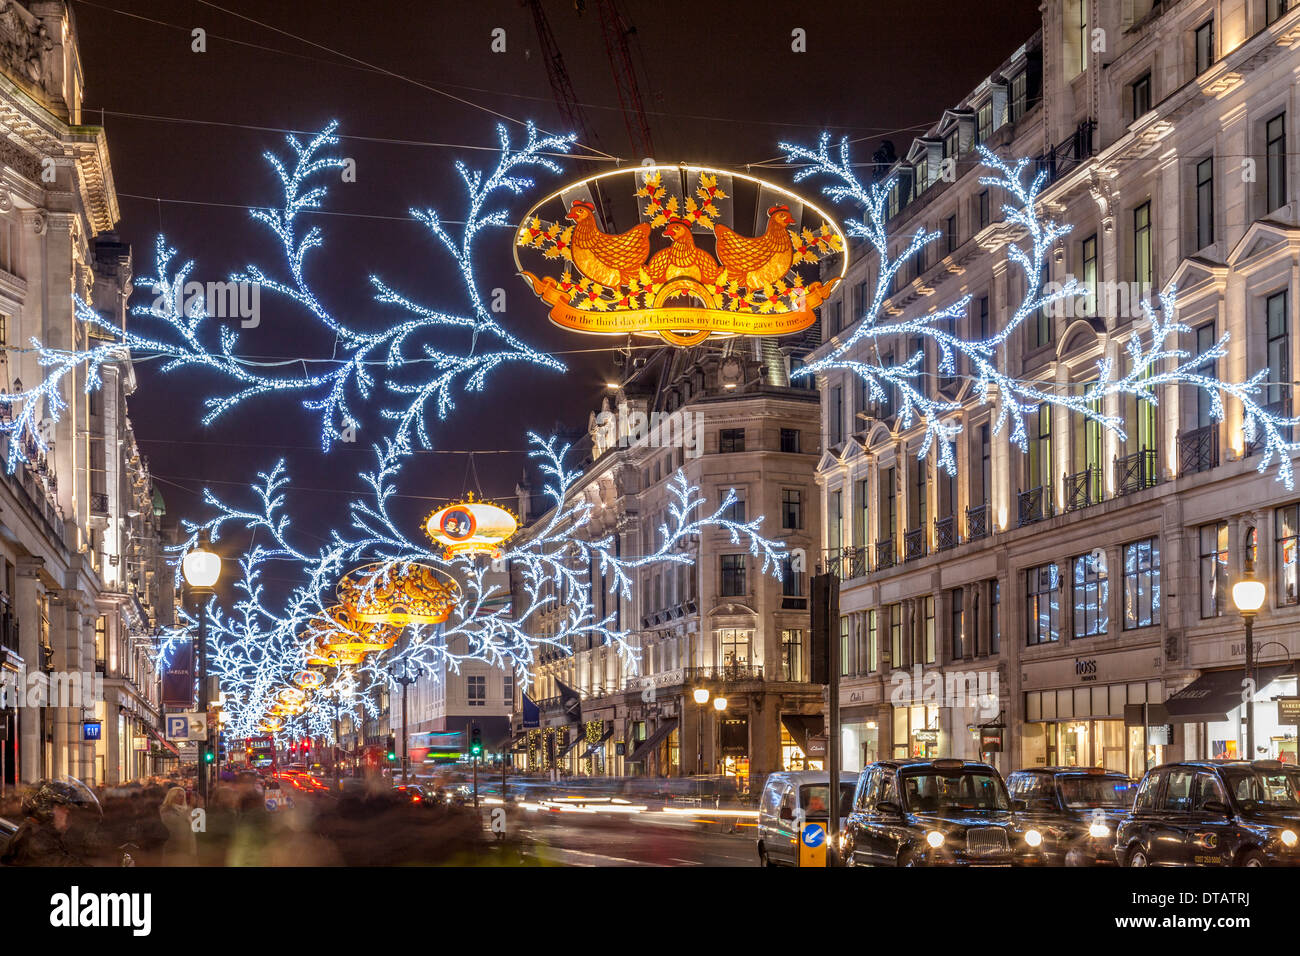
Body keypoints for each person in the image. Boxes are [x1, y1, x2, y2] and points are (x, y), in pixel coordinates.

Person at [1, 780, 90, 866]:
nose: (67, 812)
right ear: (47, 811)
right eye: (61, 807)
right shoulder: (37, 842)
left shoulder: (36, 832)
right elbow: (63, 863)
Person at [159, 786, 196, 864]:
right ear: (172, 797)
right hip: (174, 849)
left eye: (183, 796)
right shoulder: (166, 810)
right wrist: (190, 808)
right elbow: (176, 821)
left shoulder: (184, 809)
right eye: (179, 796)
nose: (182, 798)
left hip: (186, 848)